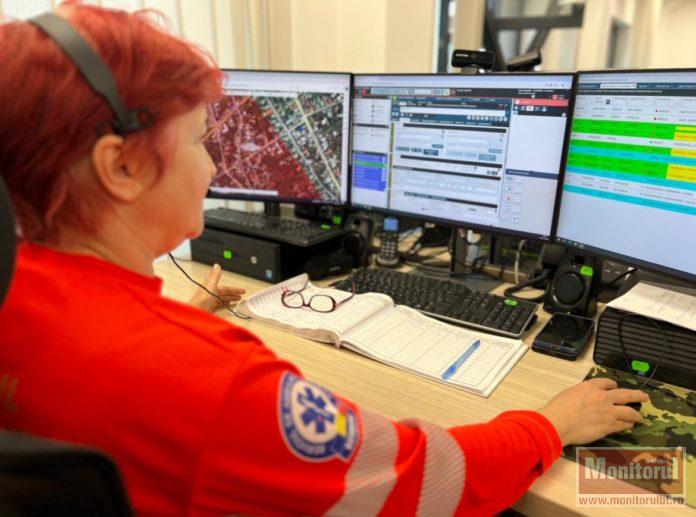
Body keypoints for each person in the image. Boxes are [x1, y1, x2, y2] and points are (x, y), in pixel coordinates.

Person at [0, 3, 648, 516]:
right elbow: (427, 479)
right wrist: (550, 423)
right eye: (199, 140)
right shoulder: (216, 383)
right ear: (120, 166)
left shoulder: (15, 297)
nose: (213, 167)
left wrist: (177, 322)